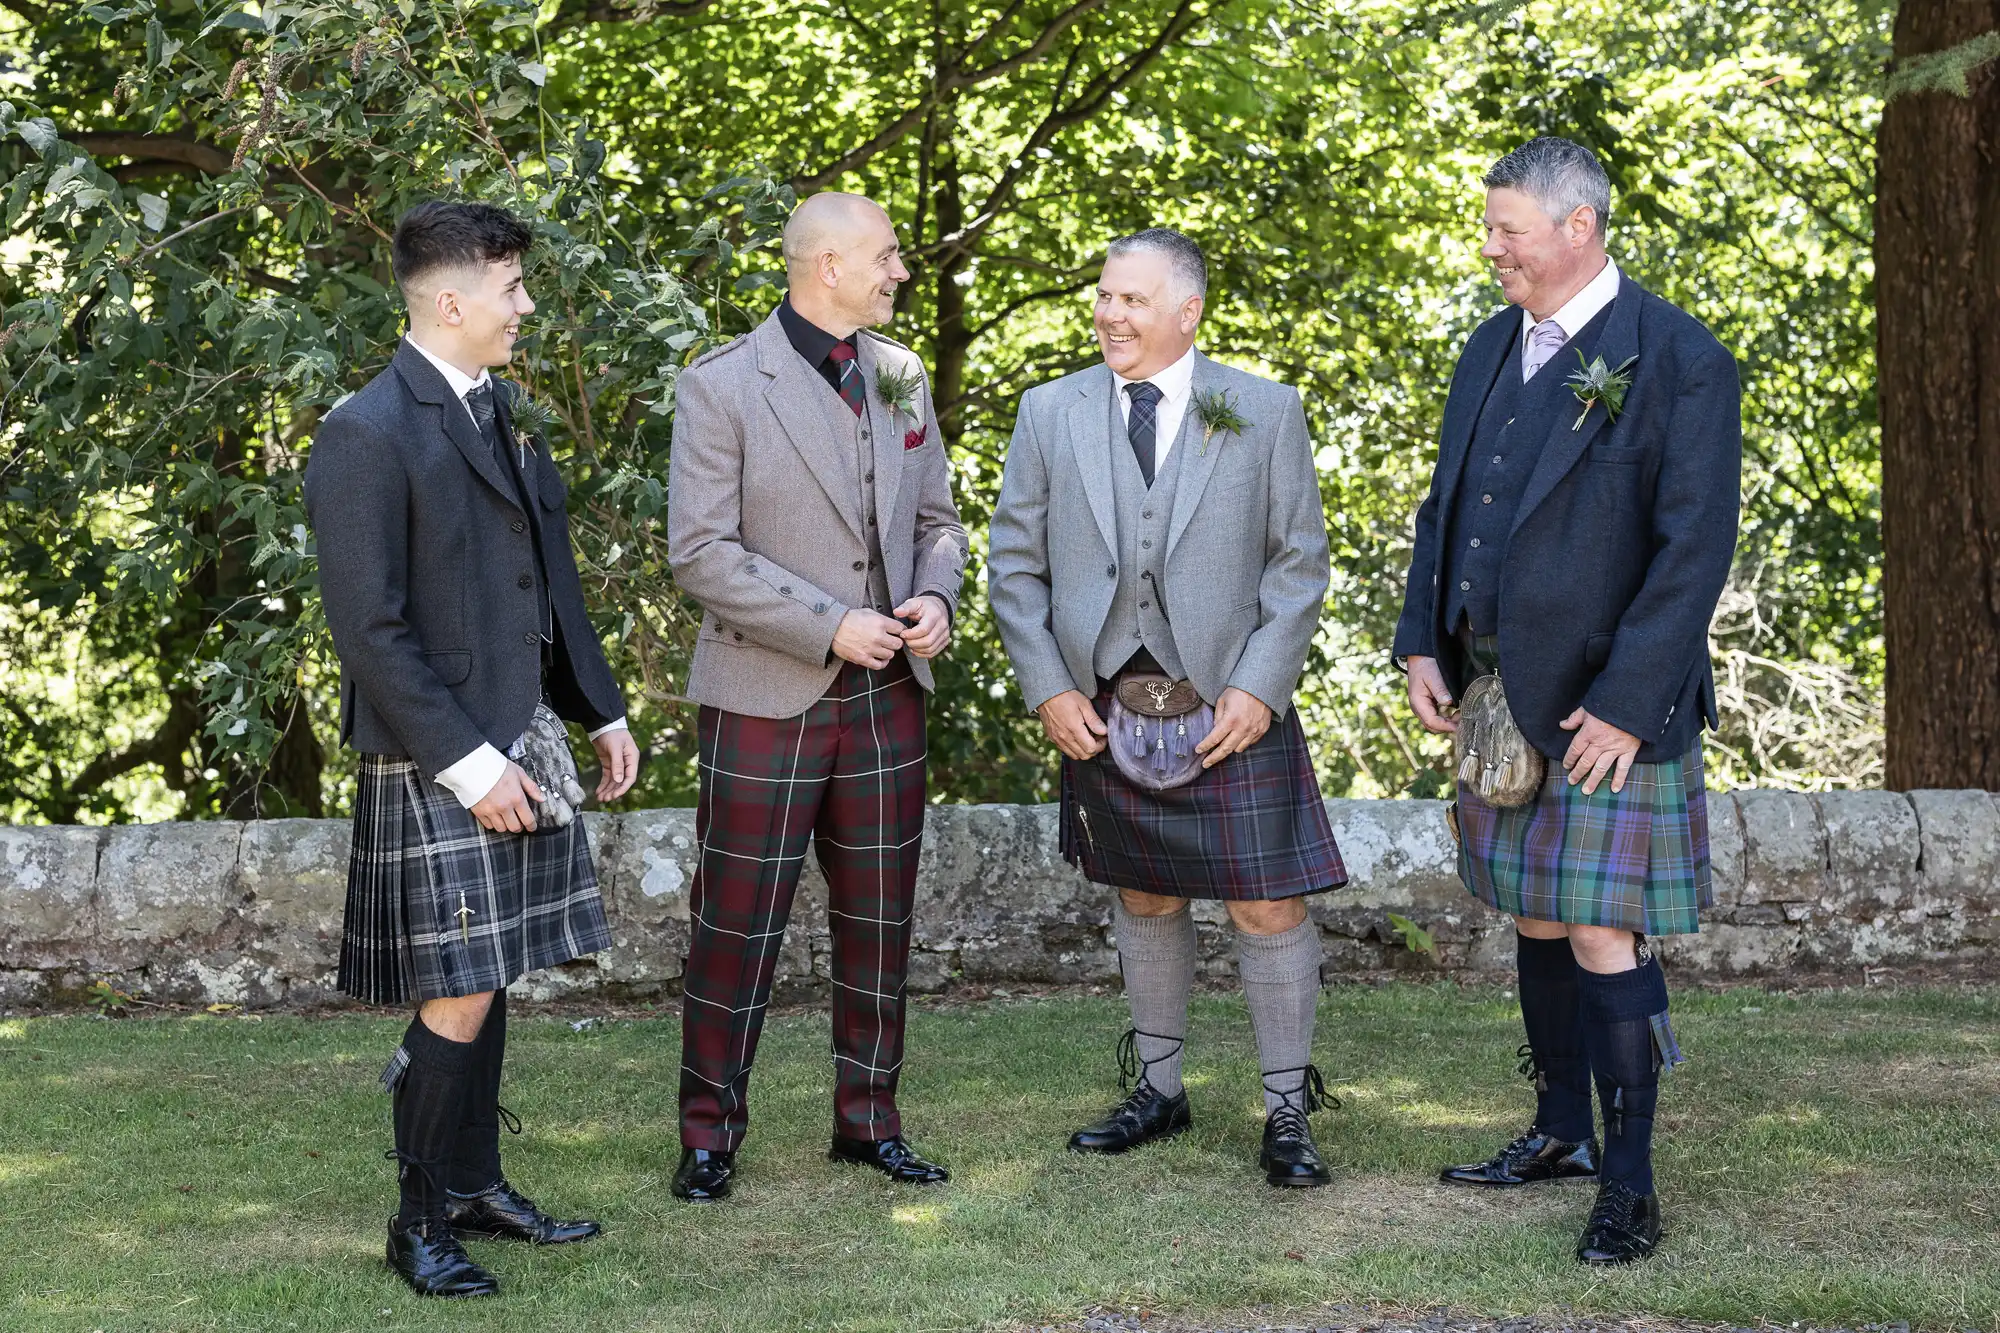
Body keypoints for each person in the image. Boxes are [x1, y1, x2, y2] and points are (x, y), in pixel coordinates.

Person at [1392, 137, 1741, 1264]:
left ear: (1574, 229)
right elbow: (1441, 510)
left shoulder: (1678, 357)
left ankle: (1627, 1182)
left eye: (1505, 228)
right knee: (1534, 913)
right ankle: (1557, 1133)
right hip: (1497, 691)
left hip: (1608, 704)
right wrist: (1420, 643)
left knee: (1598, 923)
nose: (1488, 245)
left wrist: (1629, 703)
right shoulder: (1488, 346)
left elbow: (1692, 553)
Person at [305, 201, 642, 1296]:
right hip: (438, 750)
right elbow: (372, 631)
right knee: (454, 985)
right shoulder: (365, 431)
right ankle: (415, 1222)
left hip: (517, 728)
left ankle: (472, 1183)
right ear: (449, 299)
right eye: (511, 288)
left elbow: (545, 577)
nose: (525, 307)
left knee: (489, 973)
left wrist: (597, 707)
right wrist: (473, 764)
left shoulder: (496, 410)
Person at [988, 227, 1347, 1188]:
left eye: (1132, 300)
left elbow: (1297, 564)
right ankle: (1159, 1088)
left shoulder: (1263, 411)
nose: (1109, 314)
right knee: (1143, 894)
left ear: (1186, 313)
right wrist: (1050, 686)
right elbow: (1013, 567)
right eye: (1104, 296)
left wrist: (1260, 690)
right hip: (1106, 709)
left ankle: (1286, 1114)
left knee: (1267, 907)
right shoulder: (1050, 411)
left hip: (1228, 706)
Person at [664, 191, 968, 1202]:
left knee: (879, 919)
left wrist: (932, 594)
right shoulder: (720, 386)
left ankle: (868, 1122)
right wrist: (826, 622)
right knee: (736, 921)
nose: (900, 273)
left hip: (888, 697)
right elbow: (700, 554)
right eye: (885, 258)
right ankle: (708, 1134)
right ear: (827, 266)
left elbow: (937, 521)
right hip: (764, 691)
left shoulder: (900, 375)